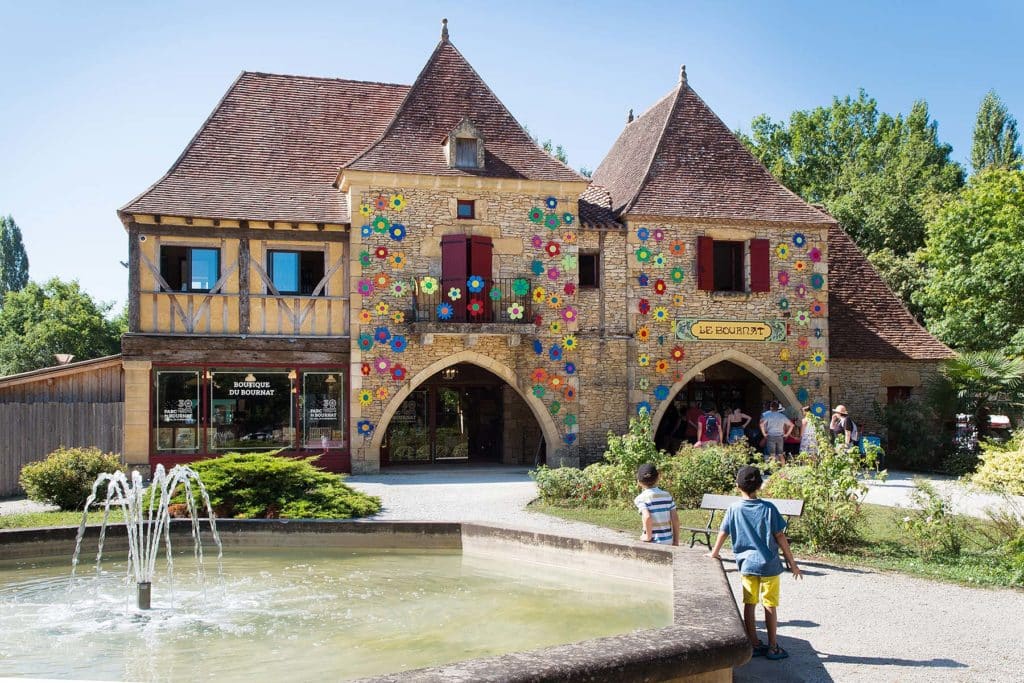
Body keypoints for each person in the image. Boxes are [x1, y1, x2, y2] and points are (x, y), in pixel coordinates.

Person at [709, 465, 802, 661]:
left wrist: (714, 553)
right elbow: (780, 537)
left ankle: (753, 643)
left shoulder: (734, 509)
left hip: (747, 566)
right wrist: (792, 563)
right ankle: (773, 646)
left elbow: (723, 532)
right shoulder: (768, 509)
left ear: (737, 486)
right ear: (760, 485)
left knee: (749, 603)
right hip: (769, 566)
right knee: (770, 605)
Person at [634, 463, 680, 545]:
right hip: (668, 540)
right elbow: (675, 519)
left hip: (653, 542)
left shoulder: (641, 498)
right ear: (658, 477)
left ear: (639, 482)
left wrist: (648, 536)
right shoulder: (667, 496)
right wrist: (676, 540)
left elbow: (647, 517)